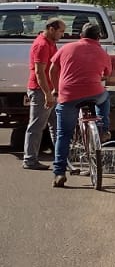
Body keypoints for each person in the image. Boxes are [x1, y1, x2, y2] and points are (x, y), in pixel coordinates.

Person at [49, 22, 114, 188]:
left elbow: (52, 70)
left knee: (63, 134)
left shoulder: (66, 48)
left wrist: (56, 89)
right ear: (98, 37)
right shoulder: (102, 52)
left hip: (68, 96)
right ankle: (103, 128)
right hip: (94, 93)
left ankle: (59, 173)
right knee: (105, 96)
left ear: (81, 36)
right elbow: (106, 74)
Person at [23, 16, 66, 170]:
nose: (63, 35)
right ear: (51, 29)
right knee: (36, 126)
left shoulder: (51, 43)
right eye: (61, 31)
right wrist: (47, 94)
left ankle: (61, 160)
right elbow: (39, 72)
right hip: (41, 91)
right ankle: (30, 160)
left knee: (56, 125)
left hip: (50, 90)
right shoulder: (42, 45)